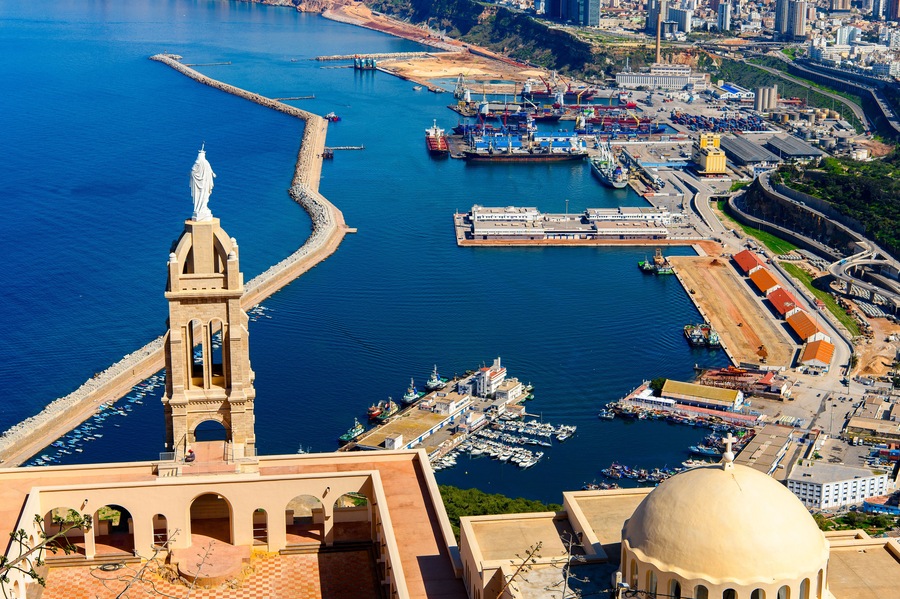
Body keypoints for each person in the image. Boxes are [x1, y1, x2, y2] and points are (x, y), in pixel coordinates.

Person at [190, 147, 215, 221]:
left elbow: (192, 171)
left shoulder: (198, 163)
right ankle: (201, 209)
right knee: (204, 196)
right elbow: (210, 171)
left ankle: (201, 208)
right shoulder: (206, 162)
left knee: (202, 197)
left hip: (201, 185)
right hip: (204, 185)